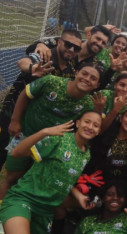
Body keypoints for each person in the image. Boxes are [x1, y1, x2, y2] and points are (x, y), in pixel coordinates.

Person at [0, 111, 102, 234]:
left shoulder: (86, 154)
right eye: (87, 121)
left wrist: (79, 196)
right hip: (25, 198)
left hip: (46, 211)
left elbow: (65, 179)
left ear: (98, 131)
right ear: (78, 123)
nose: (90, 127)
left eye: (96, 125)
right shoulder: (59, 138)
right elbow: (17, 152)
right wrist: (44, 132)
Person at [0, 64, 102, 200]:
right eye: (84, 73)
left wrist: (99, 111)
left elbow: (95, 128)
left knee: (31, 181)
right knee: (11, 178)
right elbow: (25, 93)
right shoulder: (51, 81)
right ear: (77, 73)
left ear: (97, 85)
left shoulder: (88, 105)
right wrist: (15, 120)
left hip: (51, 147)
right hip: (25, 135)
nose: (87, 79)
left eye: (93, 78)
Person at [0, 29, 82, 170]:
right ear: (59, 42)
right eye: (68, 44)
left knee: (16, 166)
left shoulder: (69, 71)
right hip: (12, 114)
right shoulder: (45, 54)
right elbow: (22, 62)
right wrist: (32, 68)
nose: (72, 49)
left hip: (32, 122)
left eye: (76, 48)